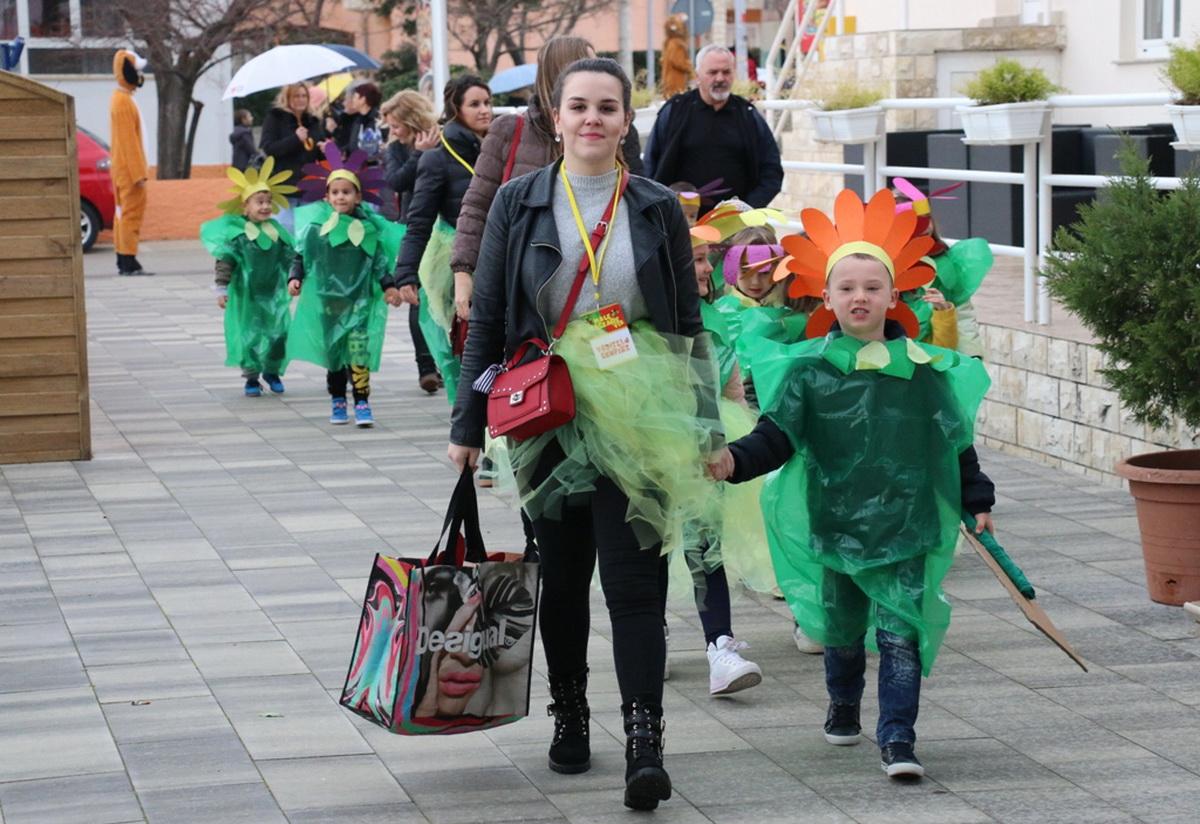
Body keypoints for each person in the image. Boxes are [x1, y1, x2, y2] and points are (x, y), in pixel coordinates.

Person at [448, 58, 723, 811]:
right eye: (579, 106)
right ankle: (571, 713)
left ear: (626, 119)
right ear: (556, 114)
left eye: (607, 107)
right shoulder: (519, 199)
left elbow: (687, 324)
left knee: (636, 585)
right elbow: (492, 321)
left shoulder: (658, 204)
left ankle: (645, 742)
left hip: (642, 407)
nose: (593, 118)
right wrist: (467, 423)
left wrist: (704, 423)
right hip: (549, 409)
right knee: (564, 581)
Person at [711, 188, 996, 781]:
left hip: (908, 521)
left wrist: (976, 497)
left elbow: (955, 438)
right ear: (826, 296)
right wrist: (732, 460)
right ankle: (843, 704)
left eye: (872, 286)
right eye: (847, 287)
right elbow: (778, 435)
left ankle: (898, 737)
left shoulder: (921, 368)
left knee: (899, 633)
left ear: (895, 294)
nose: (860, 297)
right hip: (838, 520)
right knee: (841, 632)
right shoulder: (809, 373)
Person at [449, 36, 644, 324]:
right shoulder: (509, 131)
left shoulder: (614, 132)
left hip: (602, 288)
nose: (596, 72)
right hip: (527, 289)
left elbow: (638, 205)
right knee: (530, 364)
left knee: (610, 362)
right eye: (586, 63)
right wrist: (463, 272)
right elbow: (477, 206)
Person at [287, 144, 405, 427]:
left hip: (360, 303)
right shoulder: (317, 230)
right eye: (336, 192)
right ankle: (337, 398)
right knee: (334, 353)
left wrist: (389, 286)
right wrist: (296, 276)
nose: (341, 197)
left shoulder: (367, 229)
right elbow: (302, 254)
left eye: (347, 192)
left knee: (359, 351)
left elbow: (378, 261)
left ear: (358, 196)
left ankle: (362, 401)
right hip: (329, 304)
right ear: (327, 197)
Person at [393, 74, 492, 404]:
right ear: (456, 108)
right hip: (456, 263)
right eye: (474, 104)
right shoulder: (437, 157)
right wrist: (405, 272)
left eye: (487, 103)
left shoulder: (501, 147)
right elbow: (418, 221)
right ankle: (470, 418)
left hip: (500, 258)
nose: (484, 111)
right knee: (465, 346)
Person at [200, 158, 296, 397]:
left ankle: (272, 371)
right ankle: (251, 377)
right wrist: (222, 288)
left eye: (268, 202)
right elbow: (225, 261)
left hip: (274, 295)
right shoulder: (238, 234)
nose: (265, 207)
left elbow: (291, 258)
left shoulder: (278, 231)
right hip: (247, 296)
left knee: (278, 333)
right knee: (249, 335)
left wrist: (296, 278)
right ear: (245, 207)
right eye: (259, 202)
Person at [644, 45, 783, 209]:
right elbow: (650, 164)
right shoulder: (675, 110)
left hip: (736, 223)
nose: (720, 78)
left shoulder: (748, 114)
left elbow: (771, 169)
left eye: (726, 72)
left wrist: (749, 209)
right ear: (697, 76)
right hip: (682, 220)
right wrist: (664, 210)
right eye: (712, 72)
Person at [381, 90, 442, 394]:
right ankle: (426, 367)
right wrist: (420, 153)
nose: (393, 132)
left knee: (440, 297)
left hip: (442, 229)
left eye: (396, 125)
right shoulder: (395, 149)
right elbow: (397, 182)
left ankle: (442, 359)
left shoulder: (443, 139)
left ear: (411, 119)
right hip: (413, 229)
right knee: (417, 297)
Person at [110, 48, 152, 276]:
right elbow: (128, 142)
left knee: (122, 214)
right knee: (130, 215)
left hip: (123, 169)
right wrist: (138, 174)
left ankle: (125, 259)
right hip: (129, 172)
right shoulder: (123, 102)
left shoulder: (122, 99)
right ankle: (128, 260)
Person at [259, 82, 325, 230]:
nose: (301, 100)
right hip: (284, 187)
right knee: (285, 232)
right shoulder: (274, 118)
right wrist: (295, 139)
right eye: (296, 96)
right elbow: (269, 148)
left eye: (304, 96)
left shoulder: (312, 121)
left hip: (309, 186)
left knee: (308, 233)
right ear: (287, 98)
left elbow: (318, 154)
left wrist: (325, 149)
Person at [331, 81, 383, 159]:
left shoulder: (378, 119)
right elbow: (354, 144)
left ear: (362, 100)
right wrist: (341, 151)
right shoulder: (359, 120)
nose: (352, 100)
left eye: (355, 97)